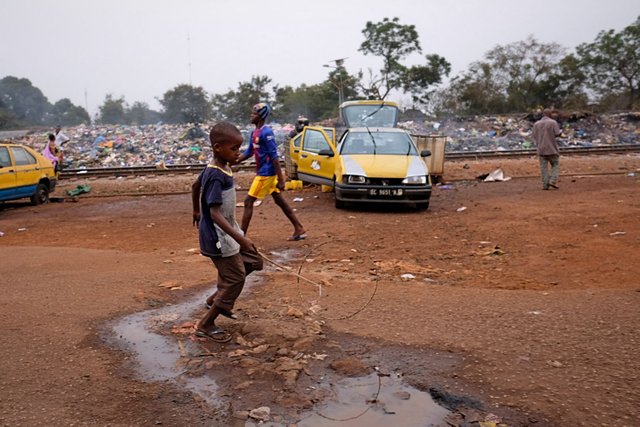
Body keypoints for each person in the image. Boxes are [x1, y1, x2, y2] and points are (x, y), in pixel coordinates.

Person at [191, 122, 263, 342]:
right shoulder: (215, 175)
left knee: (254, 261)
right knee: (235, 279)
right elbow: (214, 213)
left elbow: (195, 186)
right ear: (217, 147)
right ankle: (206, 323)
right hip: (218, 237)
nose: (238, 153)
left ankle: (216, 299)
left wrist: (195, 209)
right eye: (234, 149)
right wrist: (241, 238)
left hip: (229, 229)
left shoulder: (220, 168)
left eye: (239, 148)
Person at [237, 102, 306, 241]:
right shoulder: (254, 132)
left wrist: (281, 179)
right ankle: (299, 228)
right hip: (264, 172)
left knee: (248, 201)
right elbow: (249, 151)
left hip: (266, 173)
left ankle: (241, 237)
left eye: (254, 113)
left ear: (261, 116)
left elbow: (274, 157)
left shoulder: (266, 133)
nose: (251, 115)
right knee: (280, 201)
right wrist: (234, 161)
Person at [531, 109, 562, 190]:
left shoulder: (536, 124)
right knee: (555, 165)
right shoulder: (553, 122)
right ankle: (552, 180)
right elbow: (557, 133)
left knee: (543, 168)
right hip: (552, 148)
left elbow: (533, 136)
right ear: (550, 114)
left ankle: (545, 185)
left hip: (541, 149)